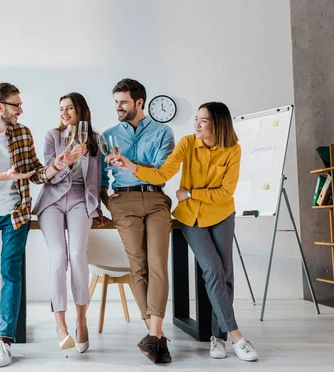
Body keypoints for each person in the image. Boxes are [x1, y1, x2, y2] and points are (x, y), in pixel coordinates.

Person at [110, 102, 259, 362]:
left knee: (226, 275)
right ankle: (236, 336)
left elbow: (226, 192)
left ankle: (217, 336)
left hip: (222, 214)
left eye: (204, 120)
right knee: (212, 270)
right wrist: (131, 167)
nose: (197, 124)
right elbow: (162, 174)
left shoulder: (233, 150)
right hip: (191, 217)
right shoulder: (188, 143)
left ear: (218, 124)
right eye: (197, 119)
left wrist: (189, 193)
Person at [0, 82, 69, 368]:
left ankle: (4, 341)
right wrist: (4, 176)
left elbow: (34, 174)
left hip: (15, 212)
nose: (21, 109)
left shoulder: (23, 132)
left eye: (20, 105)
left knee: (10, 272)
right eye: (16, 105)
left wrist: (56, 166)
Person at [100, 78, 175, 364]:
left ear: (139, 103)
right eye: (116, 102)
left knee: (158, 264)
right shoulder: (106, 135)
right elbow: (99, 178)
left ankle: (154, 337)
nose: (118, 107)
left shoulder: (163, 132)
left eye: (123, 102)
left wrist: (129, 166)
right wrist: (108, 202)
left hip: (156, 200)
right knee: (138, 266)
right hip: (124, 203)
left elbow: (160, 173)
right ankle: (156, 335)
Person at [33, 92, 107, 354]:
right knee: (58, 256)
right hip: (52, 200)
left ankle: (81, 320)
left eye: (69, 108)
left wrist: (102, 206)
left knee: (77, 255)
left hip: (80, 200)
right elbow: (48, 177)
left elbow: (98, 179)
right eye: (61, 109)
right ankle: (60, 325)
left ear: (81, 111)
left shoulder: (95, 140)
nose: (64, 113)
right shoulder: (52, 136)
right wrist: (67, 160)